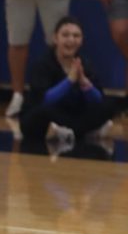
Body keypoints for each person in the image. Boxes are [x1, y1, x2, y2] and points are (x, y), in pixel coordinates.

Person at [20, 16, 119, 148]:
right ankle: (85, 131)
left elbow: (97, 99)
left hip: (72, 115)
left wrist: (84, 83)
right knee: (39, 115)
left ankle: (67, 132)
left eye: (76, 36)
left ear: (81, 40)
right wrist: (69, 81)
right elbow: (45, 99)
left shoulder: (84, 63)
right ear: (56, 38)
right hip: (50, 112)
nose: (71, 40)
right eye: (65, 35)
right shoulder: (43, 64)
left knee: (109, 105)